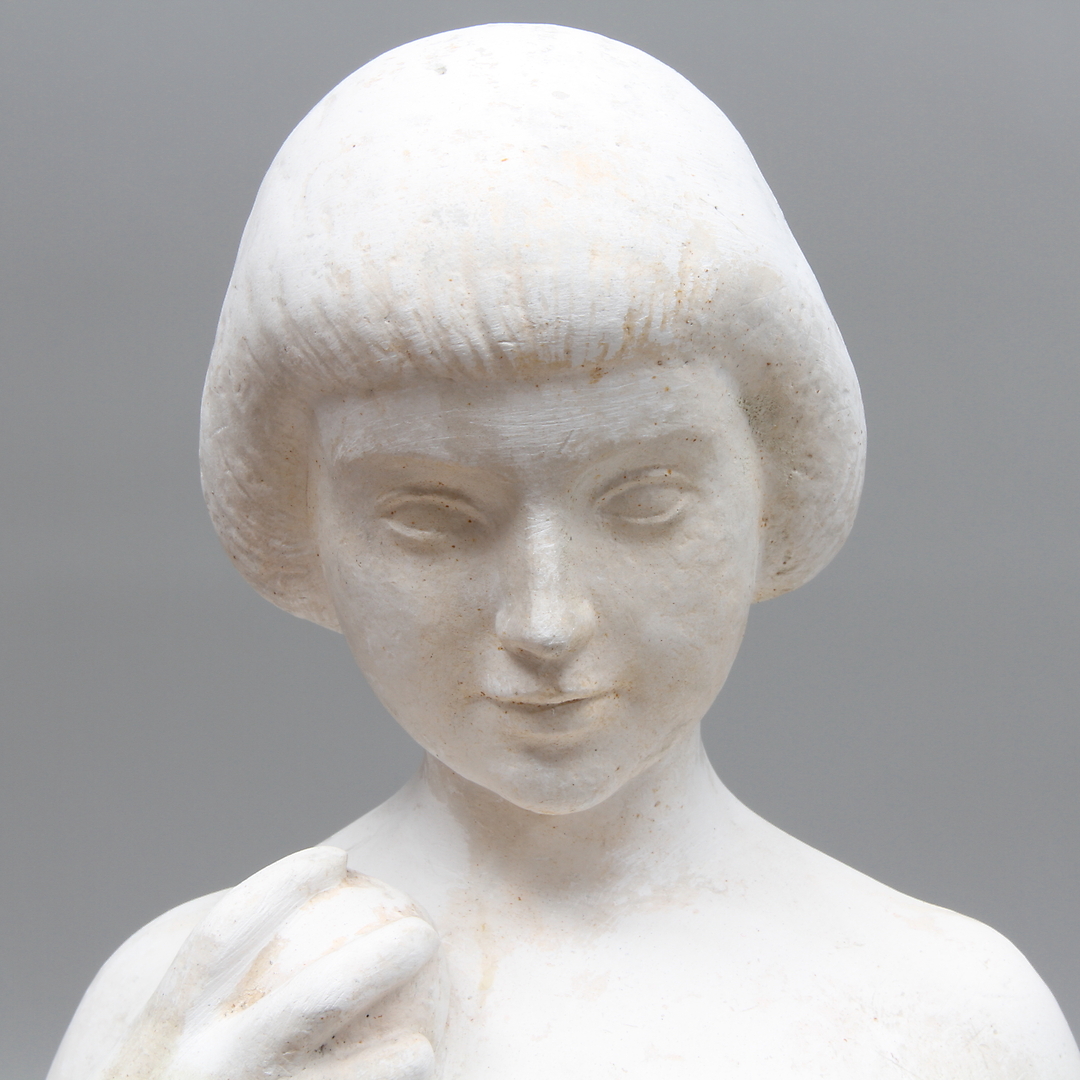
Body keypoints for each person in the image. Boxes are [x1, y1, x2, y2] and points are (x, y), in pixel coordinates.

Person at [48, 23, 1080, 1080]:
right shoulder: (197, 1017)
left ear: (773, 487)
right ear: (302, 527)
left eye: (645, 501)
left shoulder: (960, 1024)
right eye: (431, 520)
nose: (546, 621)